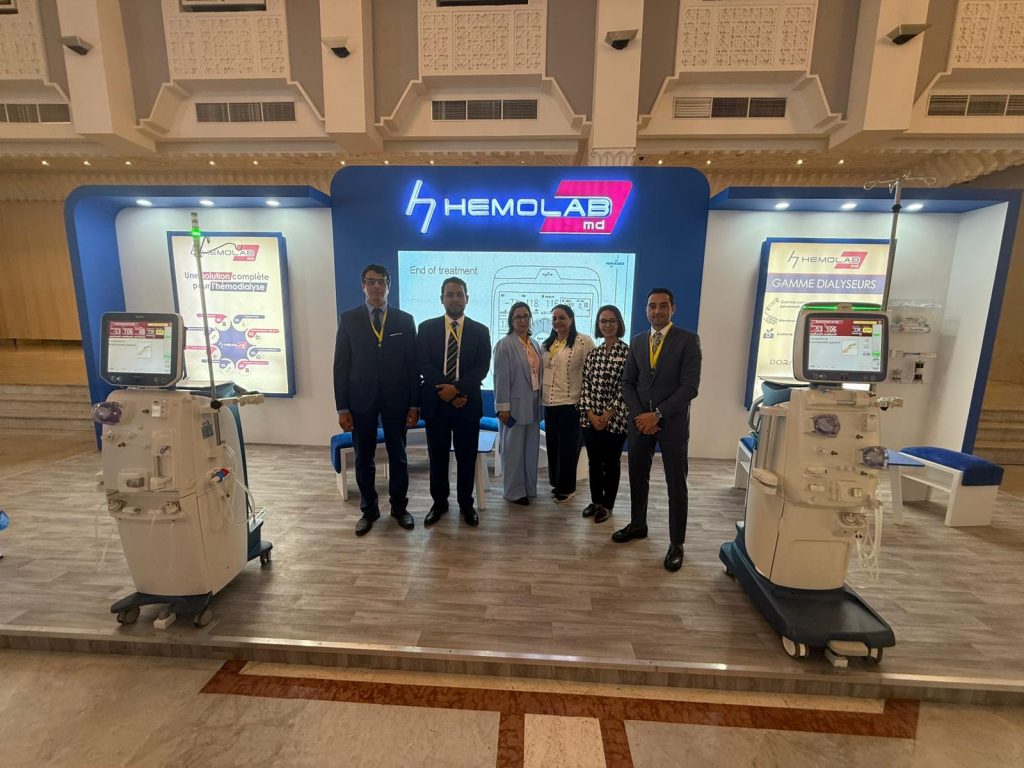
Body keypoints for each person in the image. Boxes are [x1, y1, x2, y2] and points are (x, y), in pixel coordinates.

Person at [611, 288, 701, 572]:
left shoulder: (688, 340)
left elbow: (690, 387)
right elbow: (627, 383)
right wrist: (641, 416)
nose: (657, 311)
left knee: (676, 484)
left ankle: (676, 543)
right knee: (638, 477)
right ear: (646, 309)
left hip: (671, 424)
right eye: (652, 306)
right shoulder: (638, 341)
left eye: (663, 306)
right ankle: (638, 524)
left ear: (673, 308)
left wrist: (657, 414)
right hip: (640, 423)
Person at [333, 264, 420, 536]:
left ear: (388, 286)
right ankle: (369, 510)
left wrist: (414, 404)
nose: (376, 287)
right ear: (363, 286)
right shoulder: (349, 320)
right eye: (371, 282)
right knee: (364, 459)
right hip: (361, 401)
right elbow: (341, 366)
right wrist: (342, 407)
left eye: (381, 282)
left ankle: (399, 508)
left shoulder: (404, 320)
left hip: (397, 400)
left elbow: (412, 366)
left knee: (399, 457)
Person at [417, 277, 492, 527]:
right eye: (450, 294)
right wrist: (448, 391)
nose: (455, 299)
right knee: (437, 458)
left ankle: (466, 505)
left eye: (459, 294)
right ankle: (439, 503)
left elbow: (481, 368)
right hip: (436, 404)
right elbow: (424, 364)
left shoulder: (480, 330)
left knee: (466, 458)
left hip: (467, 404)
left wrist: (457, 391)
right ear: (442, 299)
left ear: (467, 298)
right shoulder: (426, 328)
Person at [577, 305, 630, 524]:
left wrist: (608, 414)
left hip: (616, 419)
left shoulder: (628, 353)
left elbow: (626, 387)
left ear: (619, 324)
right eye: (603, 321)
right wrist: (591, 414)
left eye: (612, 321)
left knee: (611, 463)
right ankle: (596, 501)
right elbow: (586, 386)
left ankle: (608, 504)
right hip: (590, 419)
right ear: (598, 325)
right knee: (594, 462)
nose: (607, 325)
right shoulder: (593, 355)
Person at [541, 304, 595, 503]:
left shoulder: (583, 341)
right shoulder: (547, 344)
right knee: (554, 447)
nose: (558, 322)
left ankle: (567, 488)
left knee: (568, 448)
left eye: (562, 318)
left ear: (571, 319)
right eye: (554, 319)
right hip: (549, 403)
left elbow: (592, 372)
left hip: (572, 404)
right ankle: (557, 484)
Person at [493, 302, 543, 505]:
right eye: (518, 317)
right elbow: (500, 379)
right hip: (513, 408)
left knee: (531, 450)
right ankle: (514, 492)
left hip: (533, 405)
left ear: (530, 318)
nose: (522, 320)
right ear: (511, 321)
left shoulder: (535, 344)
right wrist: (502, 408)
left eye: (525, 316)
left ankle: (529, 488)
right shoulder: (505, 344)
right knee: (513, 451)